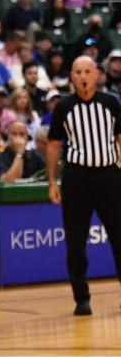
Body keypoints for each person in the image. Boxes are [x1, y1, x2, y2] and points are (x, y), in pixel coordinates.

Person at [46, 56, 121, 316]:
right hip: (77, 178)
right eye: (78, 72)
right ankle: (82, 299)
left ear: (97, 74)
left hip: (110, 176)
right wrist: (52, 181)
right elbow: (54, 145)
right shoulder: (63, 107)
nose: (83, 76)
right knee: (76, 241)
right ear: (71, 76)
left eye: (87, 71)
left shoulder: (111, 102)